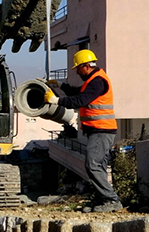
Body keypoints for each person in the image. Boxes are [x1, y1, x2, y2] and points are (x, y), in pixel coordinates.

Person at [44, 49, 123, 213]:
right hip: (98, 130)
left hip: (102, 130)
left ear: (86, 66)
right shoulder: (93, 80)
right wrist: (61, 86)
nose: (77, 71)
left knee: (92, 164)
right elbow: (80, 92)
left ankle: (111, 200)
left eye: (78, 68)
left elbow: (80, 100)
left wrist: (56, 100)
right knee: (98, 166)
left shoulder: (98, 81)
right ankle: (105, 201)